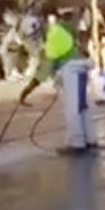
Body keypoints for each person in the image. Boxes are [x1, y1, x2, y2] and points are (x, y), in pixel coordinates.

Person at [18, 12, 96, 155]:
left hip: (72, 69)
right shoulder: (56, 31)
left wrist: (27, 90)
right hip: (79, 67)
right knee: (82, 106)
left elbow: (45, 68)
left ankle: (77, 142)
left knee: (73, 108)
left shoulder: (53, 37)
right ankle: (89, 139)